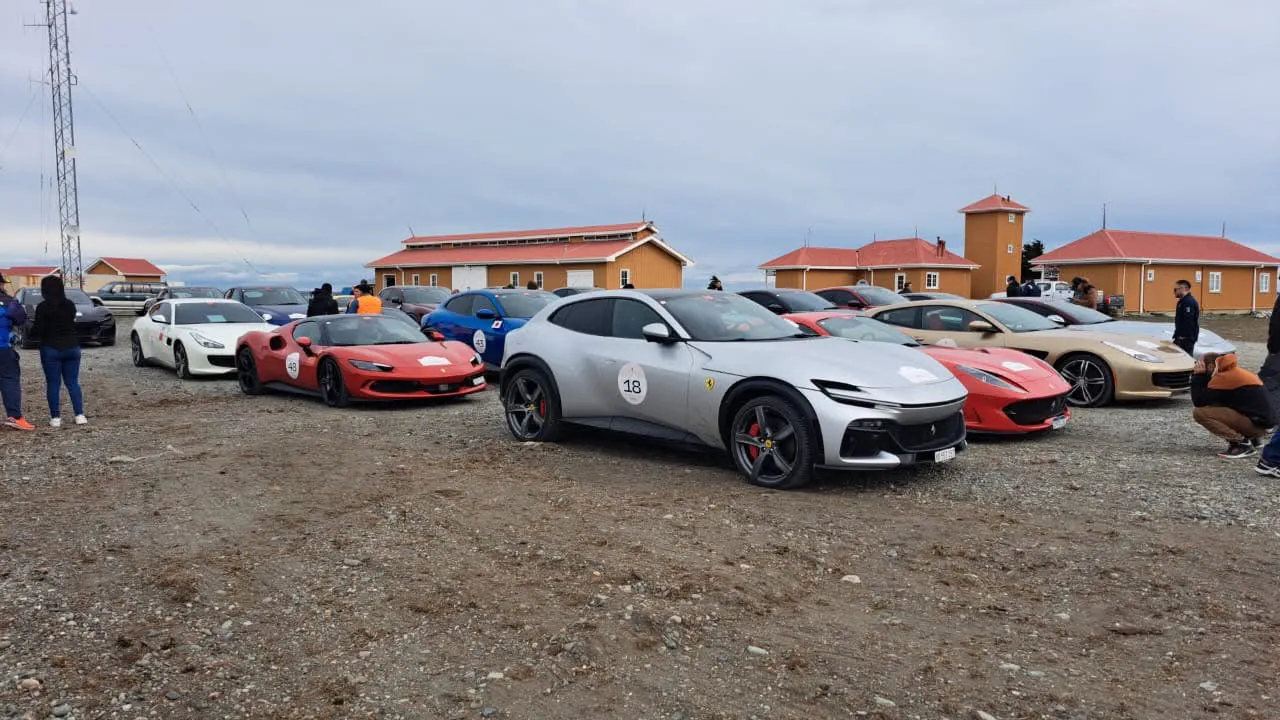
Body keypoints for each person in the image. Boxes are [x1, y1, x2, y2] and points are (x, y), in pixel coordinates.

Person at [1191, 352, 1274, 459]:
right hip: (1261, 423)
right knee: (1218, 405)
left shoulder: (1224, 377)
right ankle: (1253, 439)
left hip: (1258, 425)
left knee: (1200, 413)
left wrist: (1198, 376)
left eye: (1200, 364)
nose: (1197, 366)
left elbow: (1199, 402)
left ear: (1211, 366)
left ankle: (1241, 444)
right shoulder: (1233, 372)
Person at [29, 275, 86, 427]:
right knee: (73, 382)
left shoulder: (42, 307)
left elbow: (38, 330)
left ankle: (56, 418)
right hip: (72, 347)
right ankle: (79, 415)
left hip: (51, 348)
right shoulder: (69, 305)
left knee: (53, 383)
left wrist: (30, 330)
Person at [0, 274, 34, 431]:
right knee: (9, 380)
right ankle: (15, 417)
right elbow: (21, 319)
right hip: (3, 348)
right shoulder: (8, 302)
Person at [1172, 279, 1200, 356]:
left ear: (1183, 288)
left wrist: (1183, 337)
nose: (1174, 291)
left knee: (1186, 359)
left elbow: (1189, 321)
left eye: (1175, 289)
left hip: (1186, 339)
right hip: (1181, 337)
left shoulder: (1189, 302)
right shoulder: (1182, 301)